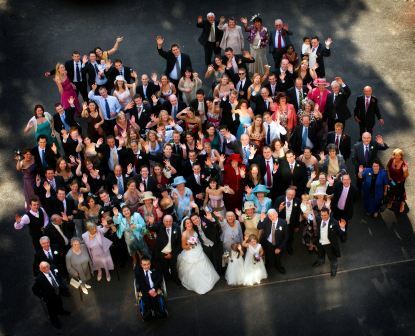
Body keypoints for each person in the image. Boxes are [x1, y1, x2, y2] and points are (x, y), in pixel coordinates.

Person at [176, 217, 220, 294]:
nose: (189, 224)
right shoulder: (184, 234)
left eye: (190, 222)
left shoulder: (194, 229)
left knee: (204, 266)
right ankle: (198, 285)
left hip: (199, 250)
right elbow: (183, 246)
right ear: (185, 225)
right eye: (187, 223)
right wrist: (190, 245)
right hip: (190, 252)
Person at [32, 261, 70, 329]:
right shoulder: (39, 279)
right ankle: (54, 320)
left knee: (59, 302)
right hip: (50, 296)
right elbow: (34, 290)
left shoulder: (53, 268)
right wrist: (42, 297)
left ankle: (61, 311)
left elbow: (58, 276)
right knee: (51, 310)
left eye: (47, 266)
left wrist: (62, 284)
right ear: (40, 269)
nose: (46, 268)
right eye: (44, 268)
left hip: (58, 291)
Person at [312, 208, 347, 277]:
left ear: (329, 214)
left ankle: (334, 268)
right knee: (320, 254)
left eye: (325, 215)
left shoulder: (335, 223)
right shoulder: (319, 219)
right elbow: (311, 218)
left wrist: (342, 228)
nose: (323, 217)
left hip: (329, 245)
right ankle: (321, 261)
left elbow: (341, 235)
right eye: (322, 215)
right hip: (320, 243)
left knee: (332, 258)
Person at [257, 209, 288, 274]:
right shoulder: (266, 220)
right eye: (270, 216)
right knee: (268, 256)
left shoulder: (283, 222)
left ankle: (278, 267)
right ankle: (268, 267)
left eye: (273, 215)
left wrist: (279, 248)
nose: (272, 217)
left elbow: (286, 237)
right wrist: (262, 219)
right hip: (268, 243)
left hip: (278, 244)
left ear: (276, 214)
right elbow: (259, 227)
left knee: (278, 257)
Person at [274, 187, 302, 255]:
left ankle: (289, 248)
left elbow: (298, 214)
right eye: (289, 194)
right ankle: (280, 249)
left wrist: (297, 226)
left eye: (292, 195)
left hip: (291, 223)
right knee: (280, 237)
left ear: (295, 195)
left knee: (290, 236)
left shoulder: (297, 201)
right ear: (286, 193)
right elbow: (274, 211)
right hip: (281, 223)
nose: (290, 196)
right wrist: (279, 209)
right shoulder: (279, 199)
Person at [154, 215, 181, 283]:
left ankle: (175, 279)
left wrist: (172, 254)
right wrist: (151, 223)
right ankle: (167, 279)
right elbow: (152, 228)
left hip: (172, 252)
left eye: (170, 221)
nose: (168, 223)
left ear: (172, 221)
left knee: (174, 268)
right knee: (164, 267)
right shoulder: (159, 226)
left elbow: (178, 243)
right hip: (162, 252)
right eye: (166, 221)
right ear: (163, 221)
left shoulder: (177, 228)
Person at [386, 148, 409, 213]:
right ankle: (391, 201)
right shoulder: (391, 160)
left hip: (400, 182)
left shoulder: (404, 164)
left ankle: (402, 203)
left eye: (398, 155)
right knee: (392, 190)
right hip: (392, 180)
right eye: (395, 155)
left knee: (400, 192)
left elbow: (406, 176)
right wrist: (389, 177)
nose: (396, 157)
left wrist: (405, 171)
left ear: (401, 156)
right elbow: (387, 167)